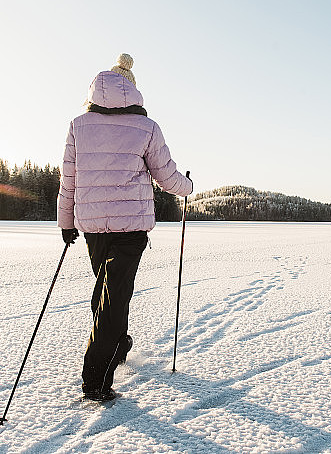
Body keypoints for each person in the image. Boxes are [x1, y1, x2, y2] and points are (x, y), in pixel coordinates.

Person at [57, 53, 193, 402]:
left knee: (109, 291)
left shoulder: (79, 125)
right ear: (133, 91)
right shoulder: (146, 127)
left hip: (93, 228)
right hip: (131, 228)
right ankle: (96, 378)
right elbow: (167, 176)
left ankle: (117, 344)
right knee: (114, 295)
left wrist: (66, 222)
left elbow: (68, 179)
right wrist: (188, 187)